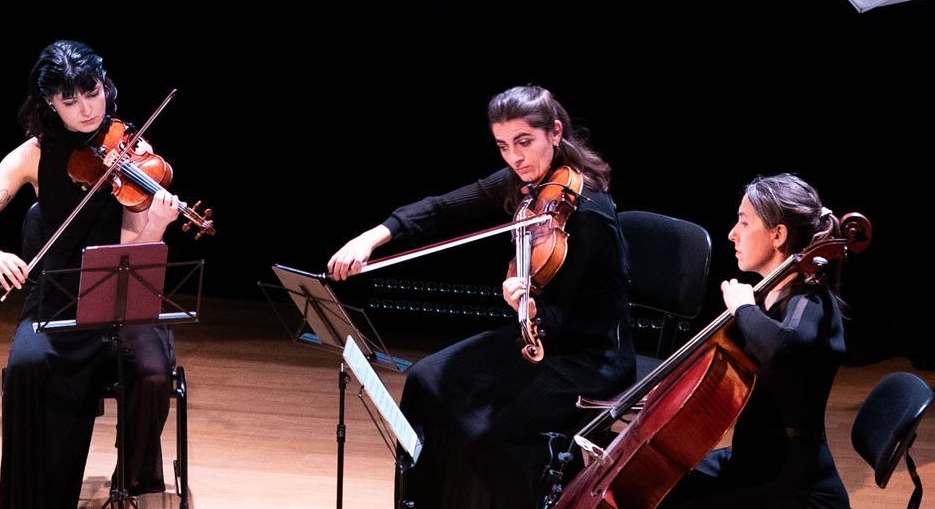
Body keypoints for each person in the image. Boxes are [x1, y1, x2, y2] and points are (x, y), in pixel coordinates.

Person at [327, 85, 634, 509]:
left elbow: (561, 316)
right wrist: (374, 237)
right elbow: (444, 208)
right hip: (537, 338)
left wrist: (528, 307)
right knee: (426, 380)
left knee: (489, 431)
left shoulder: (590, 212)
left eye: (524, 142)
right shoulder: (532, 185)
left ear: (555, 132)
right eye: (503, 146)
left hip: (589, 357)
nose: (515, 158)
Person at [0, 41, 182, 509]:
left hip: (120, 298)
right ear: (49, 102)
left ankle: (128, 485)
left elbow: (131, 249)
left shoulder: (133, 150)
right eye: (70, 100)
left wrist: (157, 223)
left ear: (105, 85)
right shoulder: (31, 156)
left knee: (153, 375)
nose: (86, 109)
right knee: (26, 367)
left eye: (92, 92)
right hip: (58, 299)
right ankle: (39, 496)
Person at [663, 173, 850, 509]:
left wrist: (744, 309)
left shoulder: (811, 300)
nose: (732, 233)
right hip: (753, 462)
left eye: (744, 222)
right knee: (662, 485)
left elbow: (782, 349)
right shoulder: (768, 296)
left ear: (778, 235)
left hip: (793, 483)